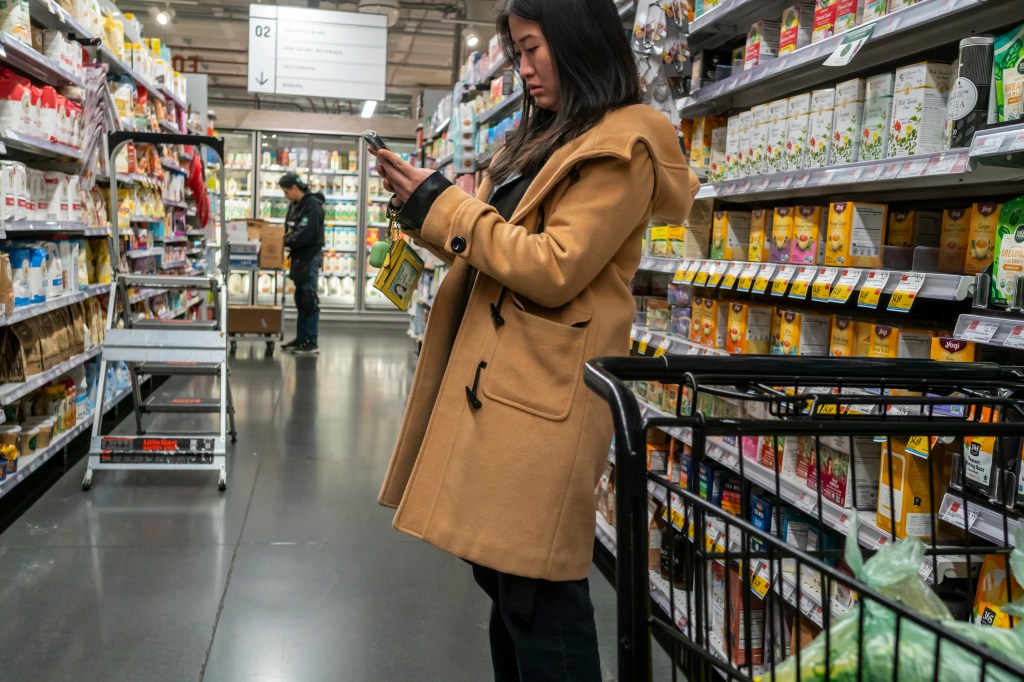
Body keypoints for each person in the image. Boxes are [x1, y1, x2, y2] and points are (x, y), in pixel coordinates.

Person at [374, 0, 699, 679]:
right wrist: (425, 210)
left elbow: (552, 267)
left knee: (540, 589)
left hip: (542, 393)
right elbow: (493, 246)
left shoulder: (623, 145)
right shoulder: (548, 133)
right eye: (516, 54)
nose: (522, 70)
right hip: (493, 384)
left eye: (531, 50)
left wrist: (446, 203)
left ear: (577, 41)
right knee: (505, 582)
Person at [279, 172, 325, 355]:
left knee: (309, 298)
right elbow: (289, 228)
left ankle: (311, 341)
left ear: (295, 188)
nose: (285, 195)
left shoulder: (312, 206)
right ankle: (301, 338)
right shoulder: (296, 205)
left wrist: (285, 241)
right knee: (300, 297)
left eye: (285, 191)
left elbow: (304, 235)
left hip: (309, 256)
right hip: (298, 257)